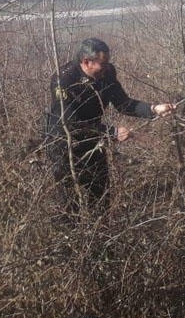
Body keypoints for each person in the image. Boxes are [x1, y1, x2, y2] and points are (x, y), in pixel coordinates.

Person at [45, 37, 175, 215]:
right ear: (86, 62)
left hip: (94, 138)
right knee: (69, 204)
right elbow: (71, 124)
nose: (106, 68)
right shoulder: (64, 80)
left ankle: (102, 233)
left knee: (100, 194)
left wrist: (153, 109)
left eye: (107, 63)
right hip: (64, 143)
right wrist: (112, 133)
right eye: (102, 64)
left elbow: (123, 103)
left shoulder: (108, 73)